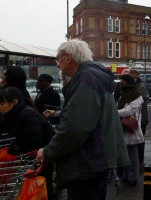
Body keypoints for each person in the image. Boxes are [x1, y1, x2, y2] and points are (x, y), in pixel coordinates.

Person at [36, 39, 129, 200]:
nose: (58, 64)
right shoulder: (94, 77)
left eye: (58, 59)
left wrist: (48, 151)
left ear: (68, 57)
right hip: (95, 162)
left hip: (85, 165)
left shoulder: (85, 80)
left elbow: (74, 128)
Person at [0, 87, 55, 198]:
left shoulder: (27, 115)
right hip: (37, 158)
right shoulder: (18, 113)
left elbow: (33, 141)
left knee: (41, 187)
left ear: (14, 102)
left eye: (2, 104)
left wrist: (14, 149)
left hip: (41, 158)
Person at [117, 74, 144, 188]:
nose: (120, 84)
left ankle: (132, 178)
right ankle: (126, 177)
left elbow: (129, 111)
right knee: (127, 153)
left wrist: (114, 112)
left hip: (131, 127)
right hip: (123, 127)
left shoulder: (137, 95)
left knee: (132, 154)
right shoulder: (123, 94)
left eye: (122, 82)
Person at [128, 69, 148, 173]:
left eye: (133, 78)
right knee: (132, 142)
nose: (131, 79)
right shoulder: (130, 87)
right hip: (132, 119)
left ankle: (140, 161)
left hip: (141, 119)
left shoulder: (141, 87)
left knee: (140, 141)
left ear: (136, 78)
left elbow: (141, 101)